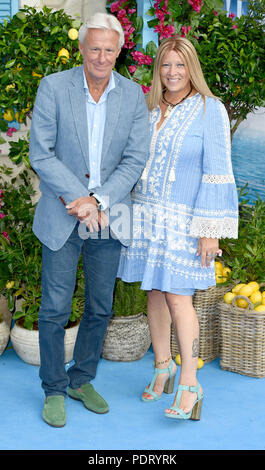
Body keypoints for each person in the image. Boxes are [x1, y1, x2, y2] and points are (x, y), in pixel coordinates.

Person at [29, 12, 149, 427]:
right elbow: (41, 153)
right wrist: (80, 198)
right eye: (94, 47)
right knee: (54, 309)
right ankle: (53, 388)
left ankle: (82, 379)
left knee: (100, 306)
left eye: (109, 49)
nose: (101, 56)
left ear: (119, 52)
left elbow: (135, 158)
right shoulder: (54, 87)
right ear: (82, 49)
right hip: (63, 211)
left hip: (111, 214)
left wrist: (99, 200)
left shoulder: (133, 95)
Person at [118, 37, 238, 420]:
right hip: (147, 216)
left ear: (192, 69)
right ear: (158, 70)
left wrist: (210, 229)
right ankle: (162, 365)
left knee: (177, 297)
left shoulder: (210, 110)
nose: (172, 73)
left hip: (186, 223)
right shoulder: (149, 109)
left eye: (180, 65)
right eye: (166, 65)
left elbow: (218, 171)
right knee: (154, 292)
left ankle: (190, 381)